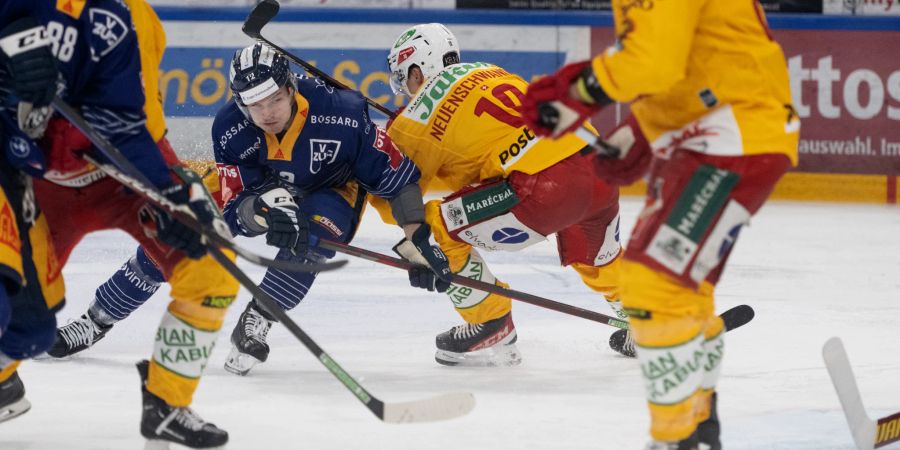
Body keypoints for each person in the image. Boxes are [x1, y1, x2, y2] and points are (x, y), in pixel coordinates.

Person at [47, 42, 452, 380]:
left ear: (291, 87)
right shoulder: (229, 128)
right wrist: (262, 210)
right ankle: (96, 319)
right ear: (240, 104)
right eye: (255, 105)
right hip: (262, 189)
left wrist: (417, 239)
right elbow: (235, 204)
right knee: (180, 229)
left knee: (314, 241)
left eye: (275, 98)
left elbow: (397, 180)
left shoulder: (343, 115)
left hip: (331, 186)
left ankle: (259, 316)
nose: (268, 112)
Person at [517, 1, 800, 448]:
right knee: (681, 289)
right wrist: (641, 132)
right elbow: (688, 62)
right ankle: (698, 426)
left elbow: (652, 59)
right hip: (711, 135)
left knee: (654, 286)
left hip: (730, 136)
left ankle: (677, 436)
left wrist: (576, 92)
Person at [0, 1, 244, 448]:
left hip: (124, 170)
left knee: (211, 260)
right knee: (18, 304)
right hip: (37, 181)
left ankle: (167, 403)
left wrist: (168, 194)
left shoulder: (133, 18)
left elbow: (133, 124)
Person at [382, 23, 625, 367]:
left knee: (432, 227)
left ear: (417, 70)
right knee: (597, 258)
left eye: (403, 79)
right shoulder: (489, 71)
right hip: (598, 166)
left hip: (547, 188)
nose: (404, 91)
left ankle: (489, 320)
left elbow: (391, 188)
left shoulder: (414, 118)